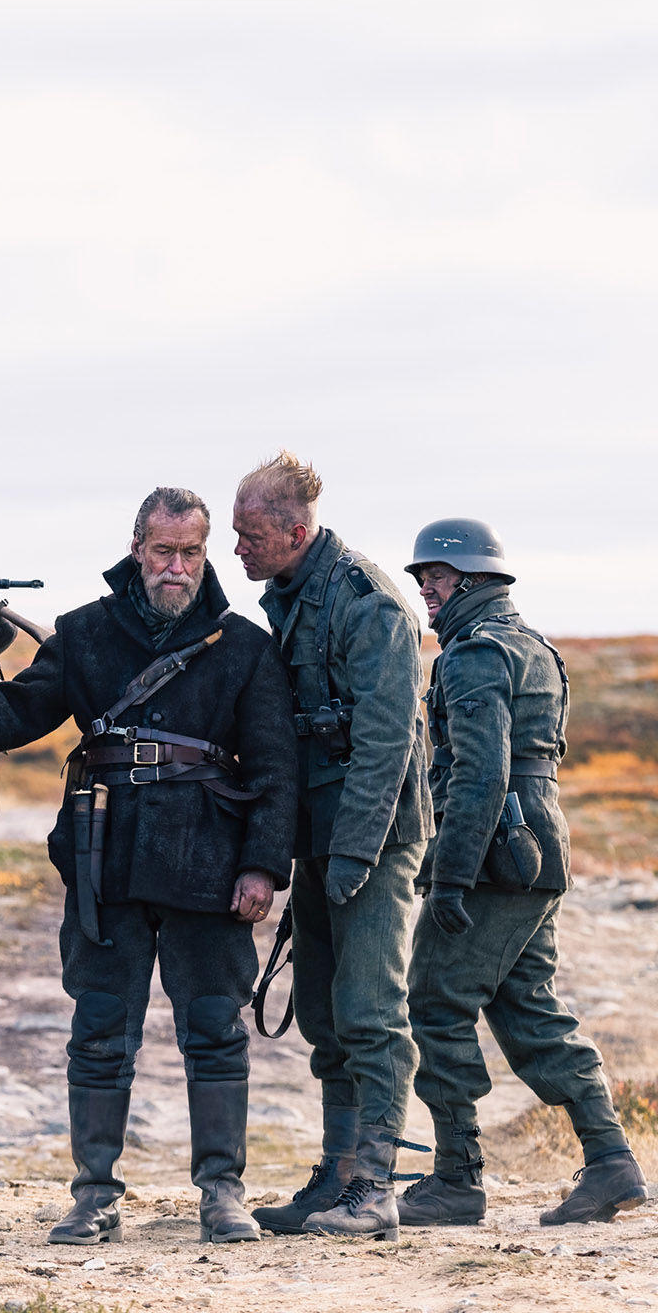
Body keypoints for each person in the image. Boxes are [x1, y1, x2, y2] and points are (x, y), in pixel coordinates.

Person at [0, 488, 296, 1247]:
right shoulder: (85, 635)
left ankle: (222, 1193)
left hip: (210, 864)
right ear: (137, 548)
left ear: (205, 555)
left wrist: (263, 866)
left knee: (214, 1031)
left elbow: (275, 769)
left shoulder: (244, 648)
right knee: (101, 1032)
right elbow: (10, 714)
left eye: (191, 553)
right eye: (163, 551)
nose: (176, 567)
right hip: (108, 864)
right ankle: (94, 1196)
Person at [400, 519, 646, 1226]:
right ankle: (610, 1163)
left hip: (494, 855)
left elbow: (478, 776)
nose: (426, 591)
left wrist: (449, 877)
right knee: (529, 1009)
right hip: (535, 845)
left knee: (435, 1001)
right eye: (422, 580)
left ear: (474, 581)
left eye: (437, 579)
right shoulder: (535, 648)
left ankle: (456, 1179)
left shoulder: (473, 656)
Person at [230, 453, 432, 1239]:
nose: (237, 549)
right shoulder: (287, 596)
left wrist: (352, 858)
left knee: (372, 1011)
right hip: (319, 834)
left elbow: (385, 741)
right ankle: (340, 1170)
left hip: (370, 840)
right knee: (321, 1010)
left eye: (249, 535)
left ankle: (376, 1186)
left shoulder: (365, 600)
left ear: (294, 531)